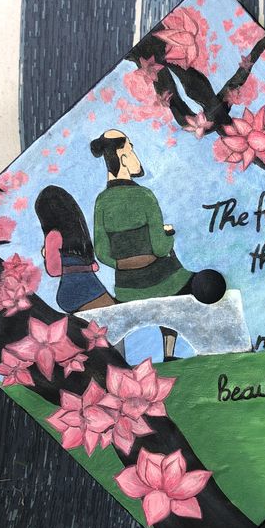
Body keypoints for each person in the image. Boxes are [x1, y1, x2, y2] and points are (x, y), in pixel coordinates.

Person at [91, 130, 225, 359]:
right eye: (131, 149)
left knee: (174, 289)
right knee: (205, 283)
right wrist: (169, 233)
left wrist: (124, 263)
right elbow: (161, 247)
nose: (135, 157)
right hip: (161, 282)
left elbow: (102, 252)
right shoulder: (144, 196)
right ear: (123, 157)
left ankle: (169, 351)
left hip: (126, 289)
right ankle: (177, 352)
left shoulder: (102, 202)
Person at [34, 185, 116, 313]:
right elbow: (95, 267)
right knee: (114, 314)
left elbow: (54, 270)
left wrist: (46, 255)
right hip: (84, 291)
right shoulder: (80, 234)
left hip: (75, 291)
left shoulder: (53, 235)